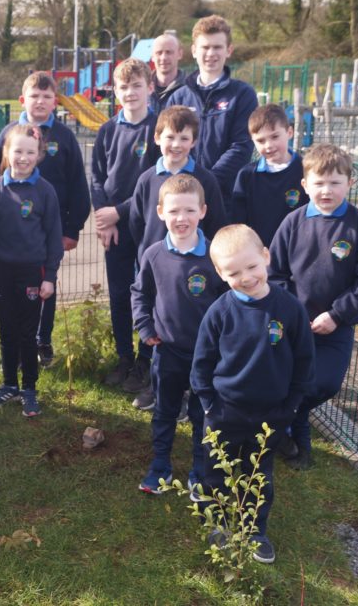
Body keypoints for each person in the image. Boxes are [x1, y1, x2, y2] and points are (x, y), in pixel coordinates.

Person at [191, 224, 315, 564]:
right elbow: (202, 362)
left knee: (258, 474)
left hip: (271, 413)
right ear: (219, 272)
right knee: (215, 470)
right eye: (233, 272)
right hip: (224, 411)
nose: (246, 277)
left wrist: (289, 407)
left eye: (251, 267)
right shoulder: (219, 312)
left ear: (266, 257)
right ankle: (216, 522)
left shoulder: (290, 309)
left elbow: (304, 360)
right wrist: (208, 404)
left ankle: (254, 529)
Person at [269, 144, 358, 469]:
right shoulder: (292, 223)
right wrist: (292, 315)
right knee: (291, 381)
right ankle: (298, 448)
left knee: (324, 384)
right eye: (318, 183)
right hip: (294, 326)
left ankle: (283, 426)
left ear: (350, 183)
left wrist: (336, 314)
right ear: (305, 185)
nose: (326, 190)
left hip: (334, 328)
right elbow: (276, 274)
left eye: (335, 182)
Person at [0, 72, 89, 368]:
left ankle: (42, 340)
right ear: (23, 100)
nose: (40, 101)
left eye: (46, 97)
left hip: (49, 230)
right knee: (16, 290)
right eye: (34, 96)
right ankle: (17, 344)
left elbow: (78, 185)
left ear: (55, 102)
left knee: (45, 283)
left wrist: (72, 228)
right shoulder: (8, 135)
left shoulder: (65, 137)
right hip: (12, 231)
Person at [131, 175, 226, 497]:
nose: (181, 218)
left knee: (203, 415)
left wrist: (225, 342)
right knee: (165, 411)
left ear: (203, 211)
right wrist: (145, 328)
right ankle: (160, 466)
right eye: (173, 211)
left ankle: (200, 470)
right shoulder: (154, 254)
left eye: (189, 210)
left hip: (207, 356)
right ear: (160, 212)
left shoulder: (215, 256)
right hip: (168, 351)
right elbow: (139, 294)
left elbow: (229, 302)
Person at [128, 106, 226, 400]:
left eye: (184, 138)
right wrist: (149, 248)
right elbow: (136, 222)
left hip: (195, 267)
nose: (176, 144)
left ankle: (191, 391)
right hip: (158, 264)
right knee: (155, 321)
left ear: (193, 142)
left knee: (189, 326)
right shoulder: (147, 179)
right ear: (157, 138)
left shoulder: (205, 180)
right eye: (170, 137)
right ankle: (155, 382)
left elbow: (217, 223)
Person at [0, 124, 64, 418]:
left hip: (32, 271)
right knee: (7, 332)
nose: (23, 157)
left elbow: (54, 236)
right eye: (17, 151)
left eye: (30, 152)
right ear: (7, 152)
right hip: (0, 270)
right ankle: (9, 385)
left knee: (28, 334)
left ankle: (29, 388)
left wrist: (50, 276)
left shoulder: (45, 191)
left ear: (39, 155)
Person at [90, 58, 159, 392]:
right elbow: (97, 178)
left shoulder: (159, 129)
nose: (130, 92)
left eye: (136, 85)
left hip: (150, 227)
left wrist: (119, 211)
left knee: (148, 292)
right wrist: (105, 217)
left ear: (150, 86)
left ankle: (146, 362)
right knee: (119, 294)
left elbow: (158, 182)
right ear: (114, 92)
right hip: (115, 228)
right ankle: (124, 358)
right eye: (123, 87)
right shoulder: (107, 130)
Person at [166, 15, 259, 210]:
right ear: (193, 51)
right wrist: (188, 185)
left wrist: (207, 182)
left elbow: (241, 146)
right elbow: (170, 145)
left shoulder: (243, 95)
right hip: (183, 199)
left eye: (217, 47)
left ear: (229, 51)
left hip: (226, 198)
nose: (211, 53)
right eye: (205, 47)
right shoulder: (178, 97)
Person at [231, 104, 308, 248]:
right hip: (258, 254)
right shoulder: (246, 176)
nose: (268, 145)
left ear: (289, 132)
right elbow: (239, 223)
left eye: (275, 137)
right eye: (261, 140)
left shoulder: (306, 171)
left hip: (297, 252)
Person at [148, 33, 187, 116]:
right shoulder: (143, 88)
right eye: (159, 53)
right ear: (152, 56)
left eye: (169, 52)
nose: (164, 58)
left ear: (179, 54)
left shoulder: (190, 89)